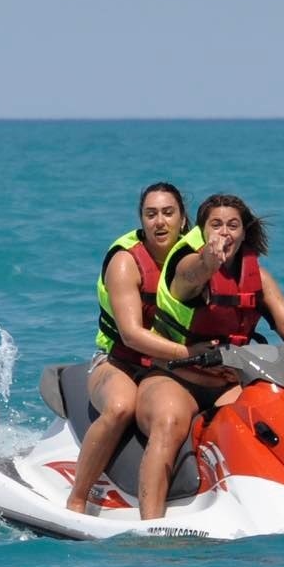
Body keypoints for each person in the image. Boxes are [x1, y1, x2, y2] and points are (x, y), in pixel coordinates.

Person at [132, 193, 284, 519]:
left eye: (232, 225)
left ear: (244, 232)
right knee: (169, 423)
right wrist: (208, 261)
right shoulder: (188, 264)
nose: (224, 232)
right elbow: (190, 277)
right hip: (174, 377)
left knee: (276, 420)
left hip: (227, 381)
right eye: (216, 225)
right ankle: (151, 524)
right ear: (202, 230)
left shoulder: (258, 278)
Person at [65, 182, 198, 514]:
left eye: (168, 213)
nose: (159, 222)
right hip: (118, 362)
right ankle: (78, 498)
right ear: (141, 220)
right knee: (121, 407)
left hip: (167, 367)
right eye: (150, 214)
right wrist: (190, 354)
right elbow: (131, 335)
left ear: (183, 220)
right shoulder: (125, 261)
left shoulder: (197, 259)